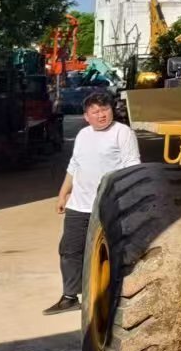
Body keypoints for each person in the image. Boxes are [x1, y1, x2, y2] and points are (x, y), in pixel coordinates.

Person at [45, 91, 138, 315]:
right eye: (95, 112)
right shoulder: (83, 135)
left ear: (112, 111)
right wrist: (63, 194)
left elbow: (132, 167)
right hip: (79, 205)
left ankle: (111, 296)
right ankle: (70, 296)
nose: (101, 115)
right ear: (86, 116)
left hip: (109, 204)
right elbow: (74, 166)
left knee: (111, 251)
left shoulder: (122, 133)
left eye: (105, 110)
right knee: (69, 250)